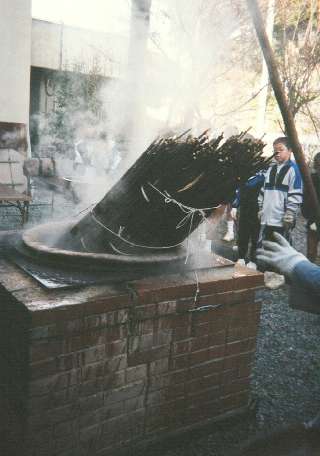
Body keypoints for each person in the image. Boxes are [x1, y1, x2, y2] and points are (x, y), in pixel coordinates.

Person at [258, 137, 303, 242]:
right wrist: (260, 208)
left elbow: (295, 193)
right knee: (265, 248)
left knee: (280, 251)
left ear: (290, 150)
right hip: (267, 218)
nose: (277, 153)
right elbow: (263, 191)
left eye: (281, 149)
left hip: (282, 220)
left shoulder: (294, 170)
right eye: (274, 151)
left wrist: (290, 213)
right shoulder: (271, 169)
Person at [232, 172, 265, 269]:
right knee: (243, 233)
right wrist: (235, 206)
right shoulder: (245, 175)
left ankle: (253, 259)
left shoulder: (263, 177)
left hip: (257, 209)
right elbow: (238, 191)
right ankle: (241, 256)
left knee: (256, 235)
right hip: (244, 209)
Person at [301, 152, 320, 262]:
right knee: (311, 253)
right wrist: (310, 217)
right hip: (313, 220)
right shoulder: (311, 179)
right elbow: (306, 200)